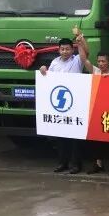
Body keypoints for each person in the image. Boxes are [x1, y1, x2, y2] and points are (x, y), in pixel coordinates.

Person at [75, 34, 109, 176]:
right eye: (99, 61)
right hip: (95, 110)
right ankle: (97, 164)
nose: (100, 64)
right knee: (94, 139)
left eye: (103, 61)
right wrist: (80, 43)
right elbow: (83, 59)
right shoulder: (95, 71)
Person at [40, 38, 84, 174]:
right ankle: (62, 163)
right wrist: (43, 70)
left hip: (75, 103)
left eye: (67, 49)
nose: (65, 51)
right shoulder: (54, 62)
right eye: (62, 49)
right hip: (60, 105)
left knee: (75, 136)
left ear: (72, 49)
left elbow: (84, 54)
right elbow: (48, 79)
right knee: (61, 136)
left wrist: (81, 42)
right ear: (59, 50)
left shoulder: (77, 60)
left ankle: (76, 164)